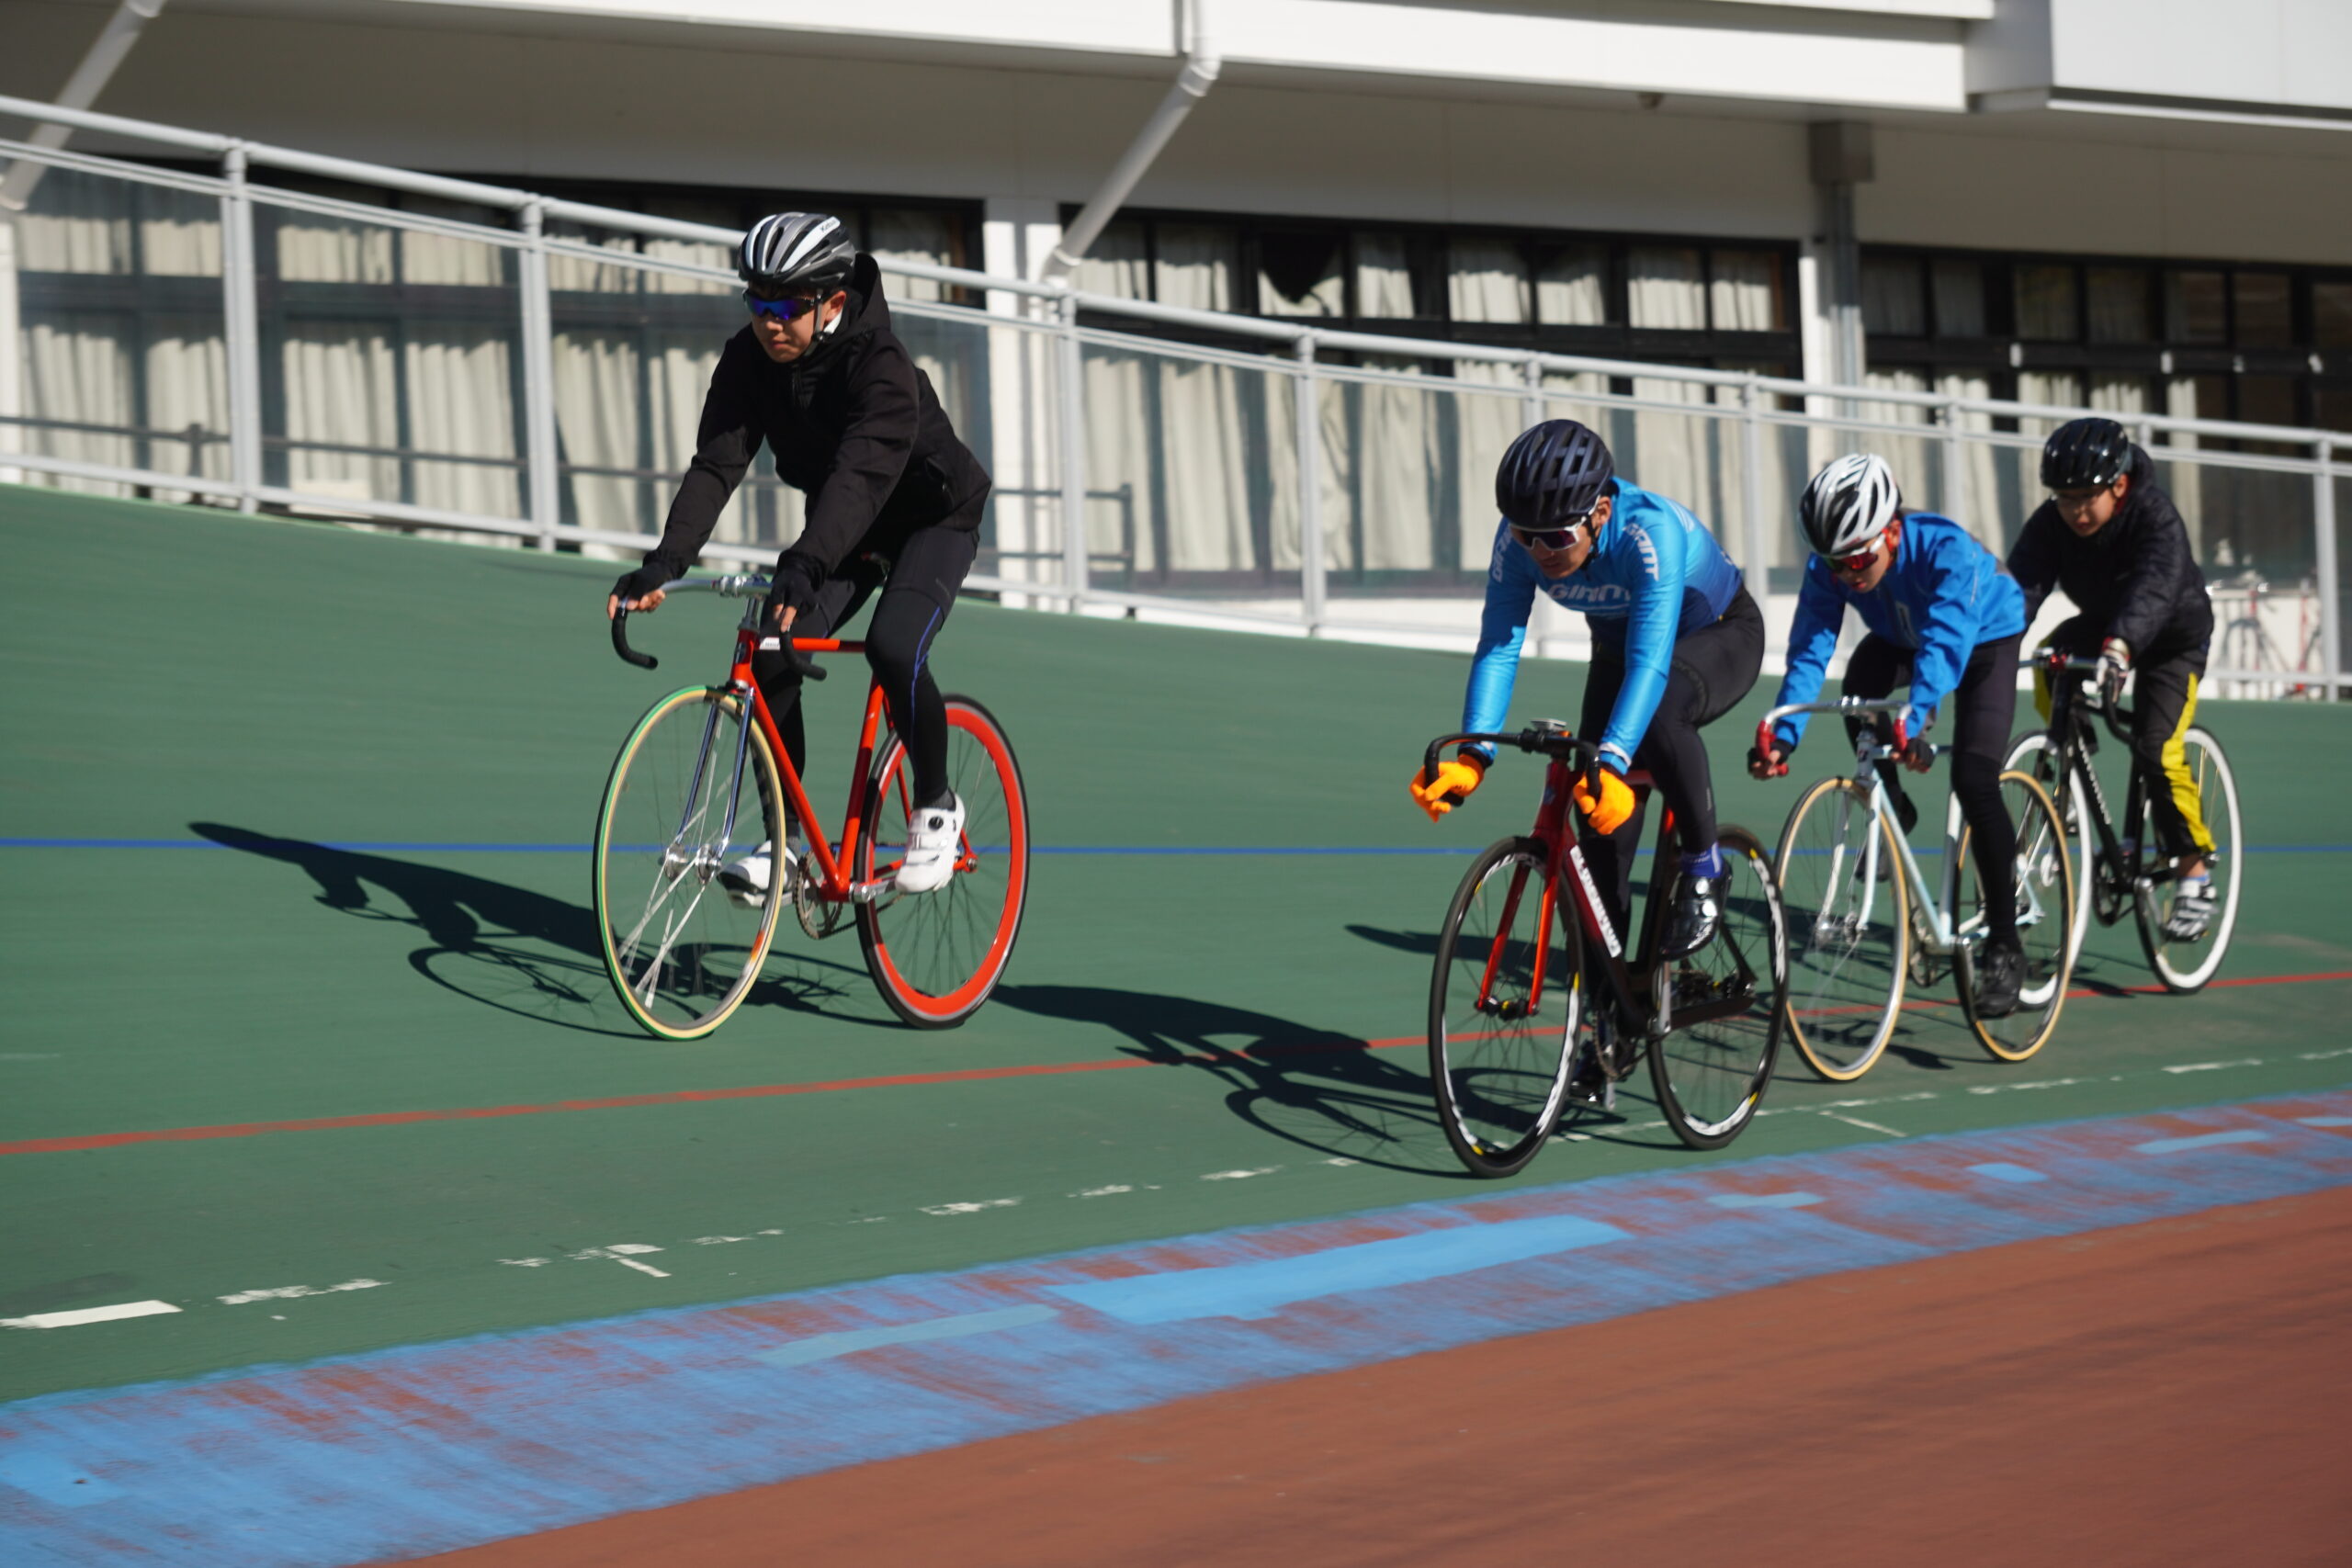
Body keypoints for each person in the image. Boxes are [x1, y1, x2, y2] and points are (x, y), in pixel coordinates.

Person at [605, 211, 991, 897]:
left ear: (834, 302)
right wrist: (664, 561)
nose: (769, 322)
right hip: (850, 529)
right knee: (774, 647)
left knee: (894, 647)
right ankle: (787, 842)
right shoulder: (749, 360)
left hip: (932, 519)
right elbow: (716, 466)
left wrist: (806, 560)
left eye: (786, 305)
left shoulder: (883, 368)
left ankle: (937, 807)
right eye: (757, 302)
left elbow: (861, 475)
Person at [1410, 417, 1763, 971]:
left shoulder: (1649, 533)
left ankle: (1703, 867)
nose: (1539, 551)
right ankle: (1608, 1020)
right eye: (1526, 536)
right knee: (1598, 836)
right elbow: (1500, 644)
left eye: (1555, 537)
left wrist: (1616, 761)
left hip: (1716, 634)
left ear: (1601, 513)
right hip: (1622, 649)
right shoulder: (1518, 540)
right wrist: (1475, 756)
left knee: (1660, 713)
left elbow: (1650, 664)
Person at [1749, 454, 2029, 1015]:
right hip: (1901, 637)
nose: (1849, 575)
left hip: (1983, 641)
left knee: (1974, 780)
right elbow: (1810, 649)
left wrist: (1916, 716)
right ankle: (1892, 807)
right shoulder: (1830, 568)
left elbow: (1947, 642)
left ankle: (2005, 944)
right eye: (1836, 564)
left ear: (1893, 532)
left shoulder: (1947, 553)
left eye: (1858, 559)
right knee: (1855, 694)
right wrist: (1785, 732)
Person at [2007, 416, 2216, 941]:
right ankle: (2072, 775)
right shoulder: (2052, 522)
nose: (2075, 510)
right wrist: (1990, 646)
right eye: (2064, 497)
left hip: (2172, 638)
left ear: (2119, 486)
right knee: (2050, 663)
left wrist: (2120, 647)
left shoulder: (2156, 517)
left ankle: (2194, 872)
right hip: (2102, 624)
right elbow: (2021, 591)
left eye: (2086, 498)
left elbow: (2153, 590)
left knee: (2156, 749)